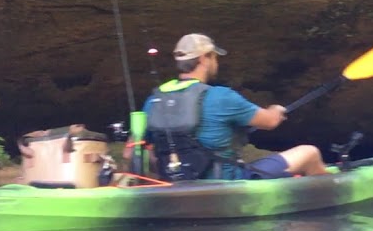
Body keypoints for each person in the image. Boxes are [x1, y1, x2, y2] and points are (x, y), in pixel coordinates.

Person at [137, 33, 328, 180]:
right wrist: (276, 110)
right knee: (309, 153)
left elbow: (143, 154)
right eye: (214, 57)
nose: (216, 62)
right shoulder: (221, 96)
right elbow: (270, 122)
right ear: (204, 58)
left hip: (176, 185)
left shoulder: (154, 100)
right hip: (226, 184)